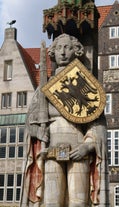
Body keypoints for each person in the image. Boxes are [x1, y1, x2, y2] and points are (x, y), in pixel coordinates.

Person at [20, 34, 109, 207]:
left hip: (78, 150)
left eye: (67, 48)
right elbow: (30, 122)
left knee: (78, 202)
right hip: (51, 151)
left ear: (75, 51)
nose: (62, 52)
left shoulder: (84, 84)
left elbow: (98, 124)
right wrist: (38, 132)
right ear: (53, 52)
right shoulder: (44, 88)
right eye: (59, 48)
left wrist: (88, 146)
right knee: (52, 202)